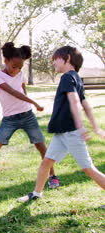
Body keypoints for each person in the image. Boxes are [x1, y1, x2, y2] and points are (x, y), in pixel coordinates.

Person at [19, 46, 105, 202]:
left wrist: (80, 127)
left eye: (55, 59)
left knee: (88, 168)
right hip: (62, 133)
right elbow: (85, 104)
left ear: (68, 58)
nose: (53, 63)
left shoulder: (67, 77)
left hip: (71, 132)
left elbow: (75, 101)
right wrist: (96, 127)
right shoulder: (76, 77)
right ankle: (37, 193)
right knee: (47, 162)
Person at [0, 42, 58, 193]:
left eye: (20, 67)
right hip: (9, 119)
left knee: (41, 145)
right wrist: (35, 102)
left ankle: (53, 176)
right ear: (6, 61)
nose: (16, 70)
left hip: (27, 116)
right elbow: (13, 92)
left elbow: (23, 92)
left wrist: (30, 104)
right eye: (13, 66)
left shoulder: (20, 74)